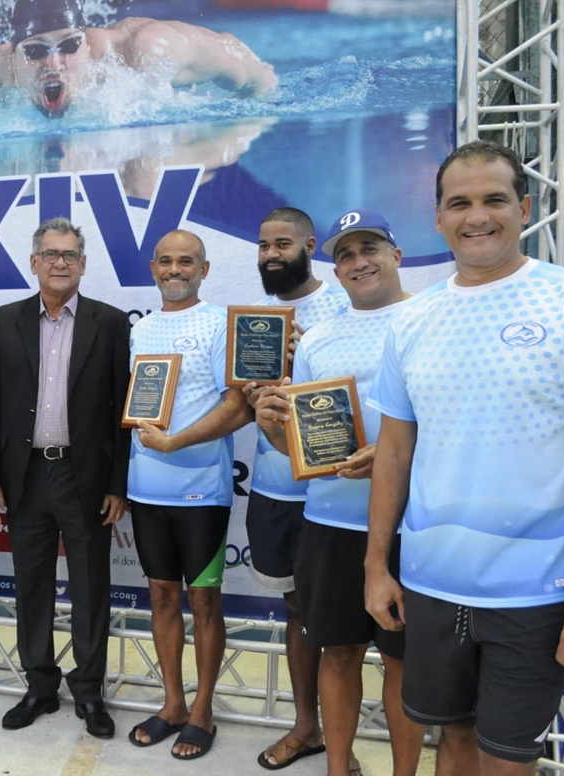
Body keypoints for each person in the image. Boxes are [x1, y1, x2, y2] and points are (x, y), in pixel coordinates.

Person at [365, 140, 564, 776]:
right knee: (450, 742)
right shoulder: (412, 320)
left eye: (494, 200)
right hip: (430, 584)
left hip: (538, 591)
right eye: (460, 203)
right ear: (439, 217)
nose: (477, 216)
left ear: (524, 207)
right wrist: (375, 564)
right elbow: (394, 450)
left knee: (506, 763)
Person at [255, 211, 424, 776]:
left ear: (396, 255)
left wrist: (399, 452)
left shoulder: (430, 320)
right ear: (335, 266)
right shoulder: (319, 340)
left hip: (408, 527)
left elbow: (460, 424)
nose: (359, 262)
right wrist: (270, 422)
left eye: (370, 248)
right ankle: (335, 768)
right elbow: (296, 448)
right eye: (346, 255)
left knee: (402, 661)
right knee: (338, 652)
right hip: (329, 524)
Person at [0, 217, 130, 738]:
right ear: (34, 263)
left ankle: (89, 691)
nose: (60, 262)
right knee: (31, 587)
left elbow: (120, 411)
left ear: (83, 265)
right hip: (24, 476)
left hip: (85, 477)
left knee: (91, 588)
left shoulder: (109, 323)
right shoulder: (6, 319)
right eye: (51, 254)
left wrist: (117, 483)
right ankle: (40, 686)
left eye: (70, 255)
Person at [124, 229, 252, 760]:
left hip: (202, 491)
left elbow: (239, 405)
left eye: (187, 261)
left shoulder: (222, 323)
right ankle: (172, 703)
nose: (175, 270)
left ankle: (204, 710)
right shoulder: (142, 329)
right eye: (166, 262)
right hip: (146, 489)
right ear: (153, 268)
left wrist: (176, 441)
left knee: (204, 602)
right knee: (160, 597)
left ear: (204, 268)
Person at [244, 208, 348, 771]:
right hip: (273, 488)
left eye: (281, 244)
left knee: (344, 625)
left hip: (332, 494)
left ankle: (343, 742)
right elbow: (246, 405)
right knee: (296, 611)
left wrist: (308, 363)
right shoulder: (257, 317)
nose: (270, 255)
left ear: (310, 245)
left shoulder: (343, 304)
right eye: (263, 246)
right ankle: (306, 728)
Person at [0, 0, 277, 132]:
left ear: (89, 44)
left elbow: (254, 73)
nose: (53, 64)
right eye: (36, 51)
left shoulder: (145, 51)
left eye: (68, 46)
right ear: (13, 56)